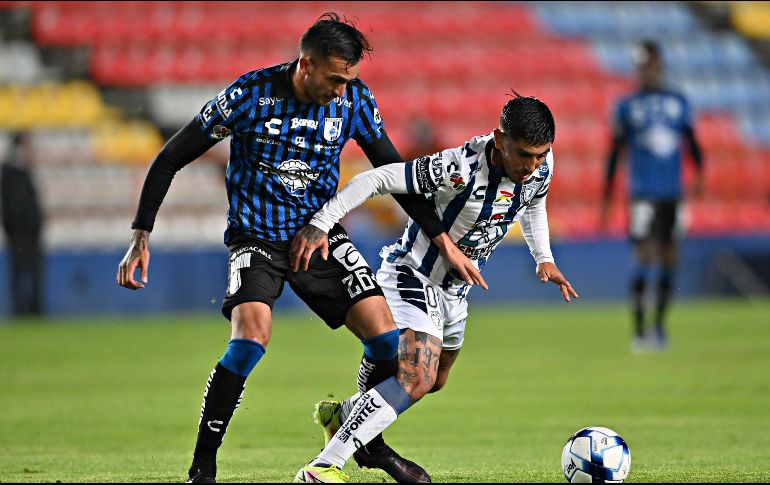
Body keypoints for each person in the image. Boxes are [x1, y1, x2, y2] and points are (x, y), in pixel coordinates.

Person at [115, 13, 483, 484]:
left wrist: (443, 240)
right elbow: (169, 158)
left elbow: (395, 173)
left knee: (391, 344)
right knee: (251, 340)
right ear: (305, 65)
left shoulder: (354, 102)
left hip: (321, 237)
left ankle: (367, 443)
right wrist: (141, 234)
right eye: (334, 79)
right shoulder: (250, 95)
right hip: (257, 238)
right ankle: (202, 466)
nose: (341, 90)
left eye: (348, 80)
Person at [291, 94, 579, 482]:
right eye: (524, 155)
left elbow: (534, 202)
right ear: (499, 139)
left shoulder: (541, 167)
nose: (532, 166)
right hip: (414, 274)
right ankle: (325, 466)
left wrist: (543, 256)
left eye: (541, 156)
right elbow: (377, 178)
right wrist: (323, 222)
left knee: (435, 381)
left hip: (455, 292)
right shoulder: (458, 167)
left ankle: (344, 413)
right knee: (416, 378)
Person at [600, 40, 704, 352]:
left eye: (654, 65)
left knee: (670, 259)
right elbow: (614, 153)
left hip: (673, 195)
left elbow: (693, 143)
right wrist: (606, 197)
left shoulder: (678, 102)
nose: (650, 72)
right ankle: (639, 329)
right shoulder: (626, 106)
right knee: (644, 256)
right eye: (645, 67)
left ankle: (659, 326)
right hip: (643, 194)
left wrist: (699, 174)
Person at [1, 132, 44, 317]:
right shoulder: (10, 173)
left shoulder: (23, 171)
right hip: (19, 233)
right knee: (20, 273)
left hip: (31, 232)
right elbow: (13, 205)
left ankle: (34, 310)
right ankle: (21, 311)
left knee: (34, 273)